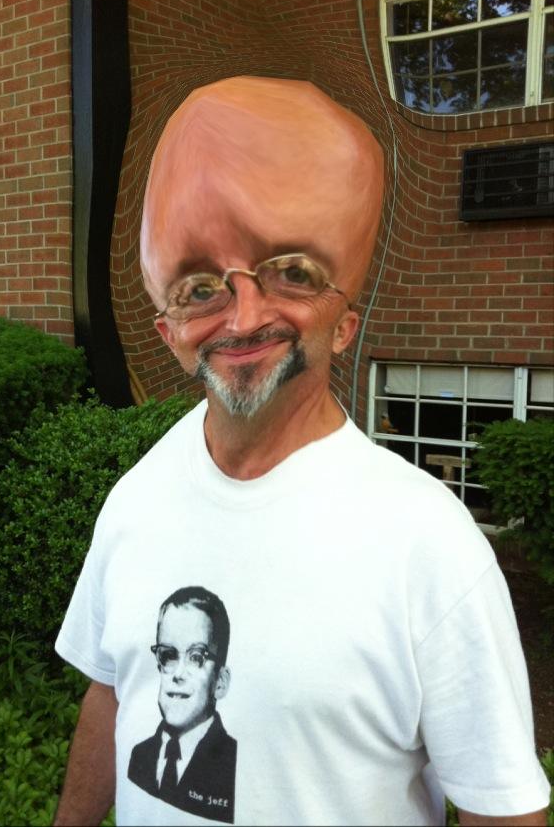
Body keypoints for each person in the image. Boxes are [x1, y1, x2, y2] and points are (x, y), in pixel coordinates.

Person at [54, 76, 550, 826]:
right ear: (171, 334)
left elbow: (500, 810)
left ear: (343, 323)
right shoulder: (138, 497)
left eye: (291, 273)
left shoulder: (427, 544)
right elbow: (113, 693)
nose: (242, 317)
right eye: (201, 288)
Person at [127, 586, 236, 823]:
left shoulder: (234, 764)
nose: (178, 674)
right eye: (168, 655)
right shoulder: (139, 755)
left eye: (197, 657)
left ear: (220, 681)